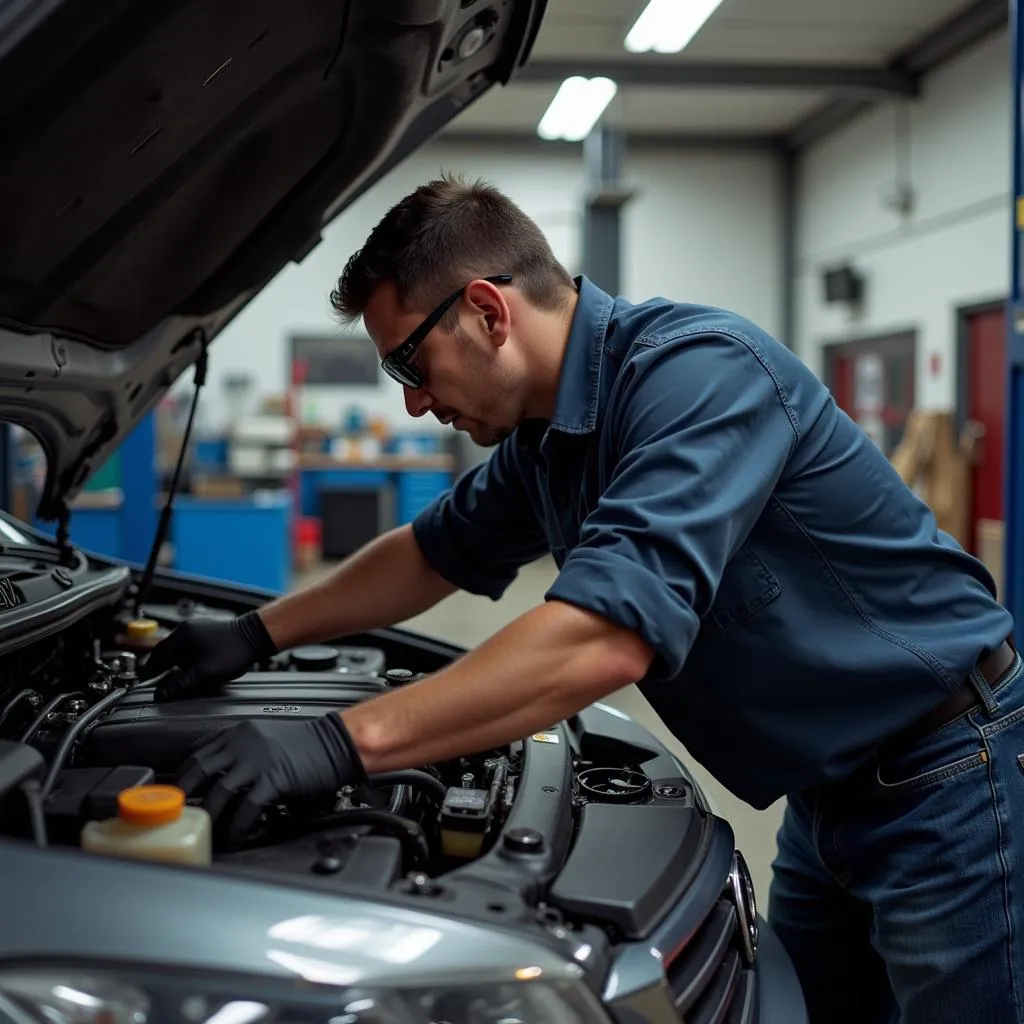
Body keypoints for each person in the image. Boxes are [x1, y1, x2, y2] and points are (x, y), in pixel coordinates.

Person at [142, 173, 1021, 1024]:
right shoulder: (547, 442)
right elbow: (429, 553)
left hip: (949, 775)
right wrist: (257, 632)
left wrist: (339, 744)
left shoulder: (698, 375)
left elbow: (604, 640)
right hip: (830, 795)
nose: (413, 403)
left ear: (487, 311)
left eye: (411, 362)